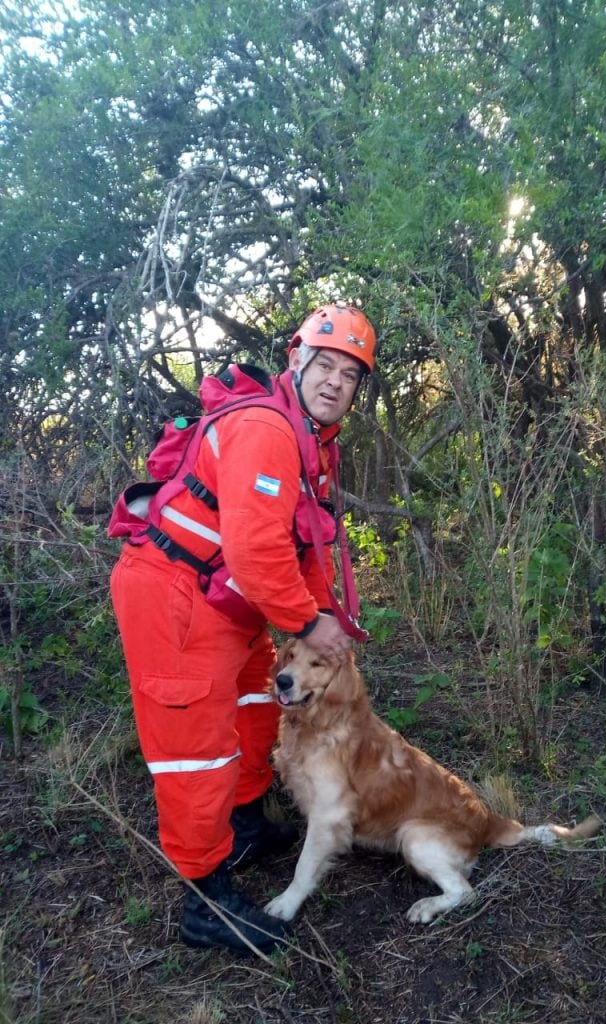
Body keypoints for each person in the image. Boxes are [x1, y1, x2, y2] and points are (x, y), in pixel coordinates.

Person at [109, 303, 376, 954]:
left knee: (258, 706)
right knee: (196, 745)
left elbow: (300, 550)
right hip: (172, 594)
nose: (335, 381)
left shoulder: (310, 441)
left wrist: (329, 619)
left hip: (224, 602)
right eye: (325, 364)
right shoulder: (266, 429)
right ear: (296, 361)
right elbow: (258, 557)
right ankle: (205, 898)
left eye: (350, 373)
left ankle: (247, 825)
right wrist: (310, 623)